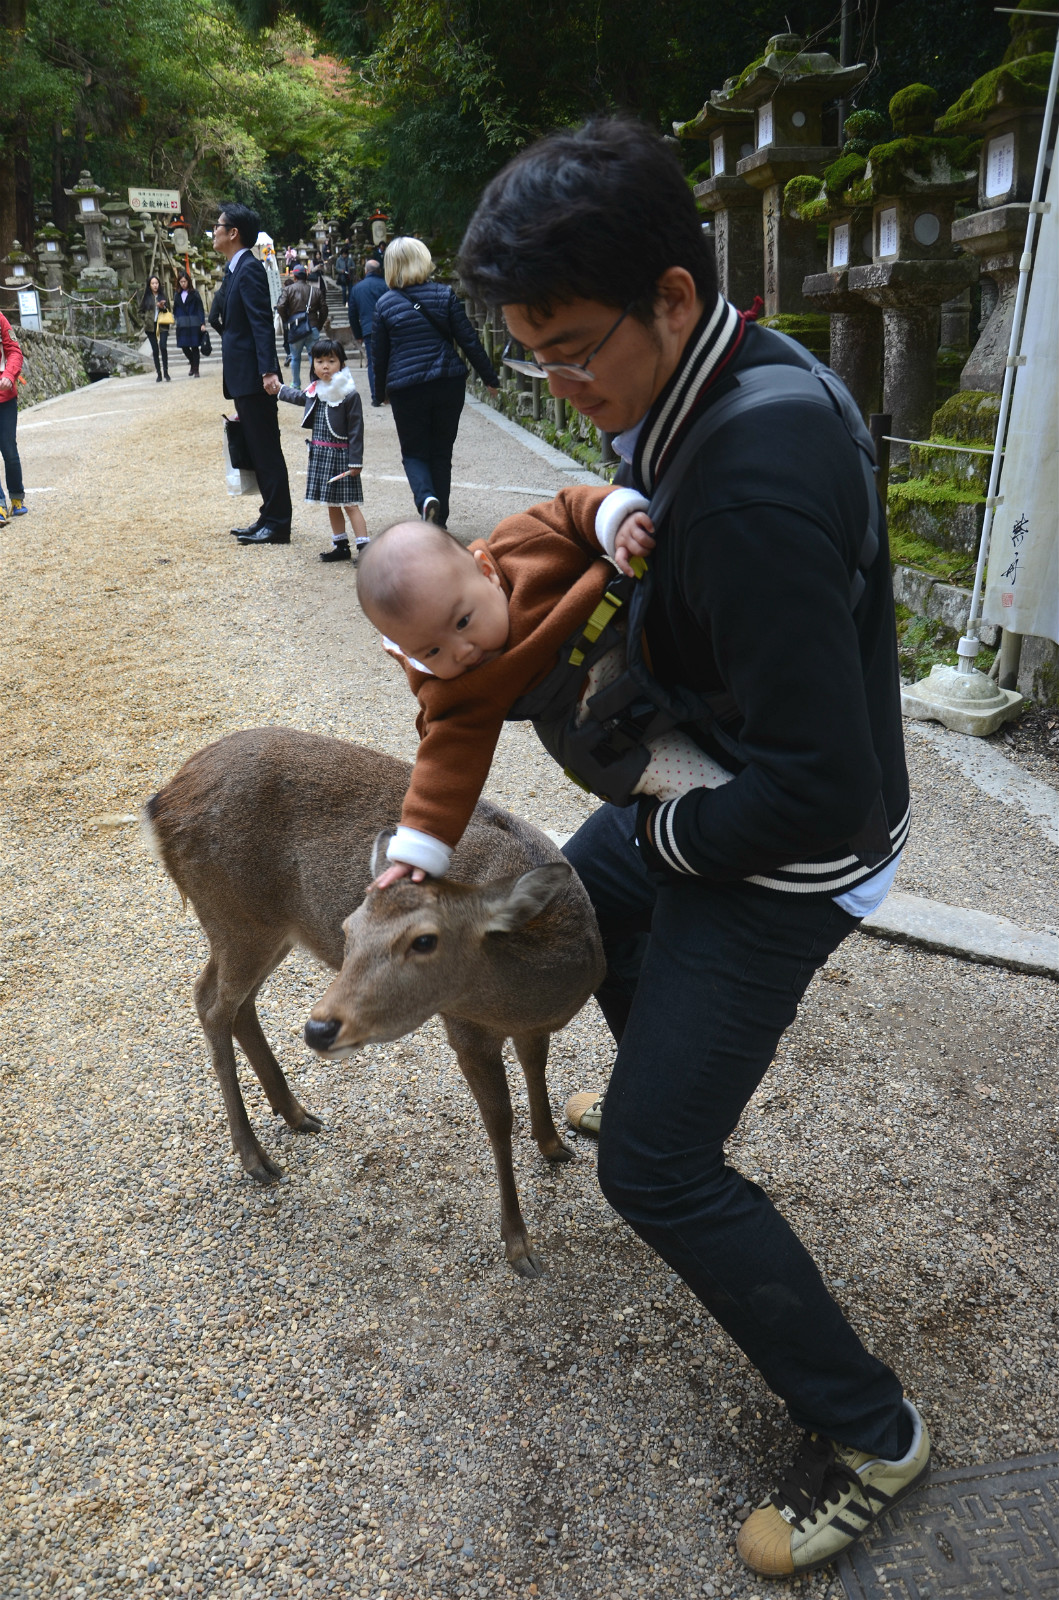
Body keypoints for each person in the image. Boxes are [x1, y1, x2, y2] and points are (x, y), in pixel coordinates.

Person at [455, 117, 928, 1581]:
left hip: (790, 842)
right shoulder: (728, 373)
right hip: (717, 781)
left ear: (672, 295)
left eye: (576, 347)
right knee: (565, 895)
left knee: (653, 1168)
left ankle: (871, 1434)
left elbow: (815, 787)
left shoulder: (750, 485)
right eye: (530, 352)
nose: (559, 383)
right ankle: (662, 1067)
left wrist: (660, 818)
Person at [358, 505, 735, 885]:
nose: (462, 651)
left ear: (487, 573)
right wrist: (420, 845)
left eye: (462, 622)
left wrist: (614, 524)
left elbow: (571, 511)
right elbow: (446, 763)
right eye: (432, 652)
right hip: (596, 724)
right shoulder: (459, 689)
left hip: (634, 634)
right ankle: (738, 823)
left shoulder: (525, 546)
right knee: (679, 775)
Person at [372, 237, 501, 529]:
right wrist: (489, 378)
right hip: (447, 382)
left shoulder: (385, 304)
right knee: (441, 452)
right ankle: (439, 523)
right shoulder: (444, 295)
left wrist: (380, 393)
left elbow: (379, 354)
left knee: (414, 453)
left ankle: (426, 499)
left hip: (407, 388)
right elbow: (469, 340)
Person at [210, 201, 293, 545]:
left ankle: (278, 523)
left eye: (218, 226)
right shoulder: (235, 269)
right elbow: (218, 316)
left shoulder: (252, 269)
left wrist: (269, 371)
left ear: (234, 233)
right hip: (243, 374)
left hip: (255, 376)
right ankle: (269, 514)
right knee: (257, 448)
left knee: (266, 448)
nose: (213, 232)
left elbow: (262, 324)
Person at [277, 336, 368, 564]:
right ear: (313, 364)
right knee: (331, 503)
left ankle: (366, 549)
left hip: (342, 455)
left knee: (350, 503)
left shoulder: (349, 394)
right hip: (321, 454)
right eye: (319, 361)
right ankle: (341, 546)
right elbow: (299, 397)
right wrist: (279, 389)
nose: (325, 366)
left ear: (341, 364)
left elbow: (357, 429)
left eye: (331, 360)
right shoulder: (315, 390)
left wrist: (355, 461)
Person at [275, 264, 327, 389]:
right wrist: (319, 324)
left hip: (295, 327)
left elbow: (280, 306)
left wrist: (287, 319)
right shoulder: (315, 291)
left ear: (295, 277)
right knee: (314, 357)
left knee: (295, 357)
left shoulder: (288, 290)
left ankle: (296, 384)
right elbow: (324, 309)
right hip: (312, 325)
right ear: (306, 276)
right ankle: (315, 383)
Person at [347, 259, 387, 405]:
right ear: (379, 271)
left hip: (369, 328)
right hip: (389, 326)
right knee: (390, 359)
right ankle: (390, 392)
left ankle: (376, 396)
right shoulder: (386, 285)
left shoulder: (357, 288)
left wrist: (358, 334)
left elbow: (352, 314)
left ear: (365, 271)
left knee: (373, 362)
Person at [0, 309, 26, 523]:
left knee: (9, 450)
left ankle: (16, 498)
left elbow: (15, 351)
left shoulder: (0, 319)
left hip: (4, 397)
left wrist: (9, 374)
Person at [173, 270, 206, 378]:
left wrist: (202, 323)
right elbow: (175, 309)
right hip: (182, 323)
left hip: (194, 322)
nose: (183, 284)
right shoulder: (177, 294)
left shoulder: (194, 293)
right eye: (181, 282)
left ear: (188, 281)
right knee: (184, 346)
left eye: (185, 281)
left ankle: (196, 369)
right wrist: (176, 319)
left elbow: (200, 308)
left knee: (195, 346)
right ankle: (192, 363)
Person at [140, 274, 171, 382]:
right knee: (155, 349)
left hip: (162, 324)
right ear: (149, 285)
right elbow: (140, 311)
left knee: (163, 346)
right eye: (153, 283)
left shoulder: (163, 295)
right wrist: (145, 320)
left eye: (156, 283)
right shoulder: (146, 297)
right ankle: (159, 373)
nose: (155, 285)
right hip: (150, 325)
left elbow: (169, 310)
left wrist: (162, 307)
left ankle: (166, 371)